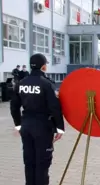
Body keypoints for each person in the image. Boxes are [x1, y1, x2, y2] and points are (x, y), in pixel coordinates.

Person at [10, 53, 65, 185]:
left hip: (26, 126)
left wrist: (18, 125)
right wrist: (60, 128)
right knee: (42, 164)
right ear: (44, 67)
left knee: (29, 162)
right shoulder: (46, 84)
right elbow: (54, 108)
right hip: (43, 127)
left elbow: (14, 107)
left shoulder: (21, 83)